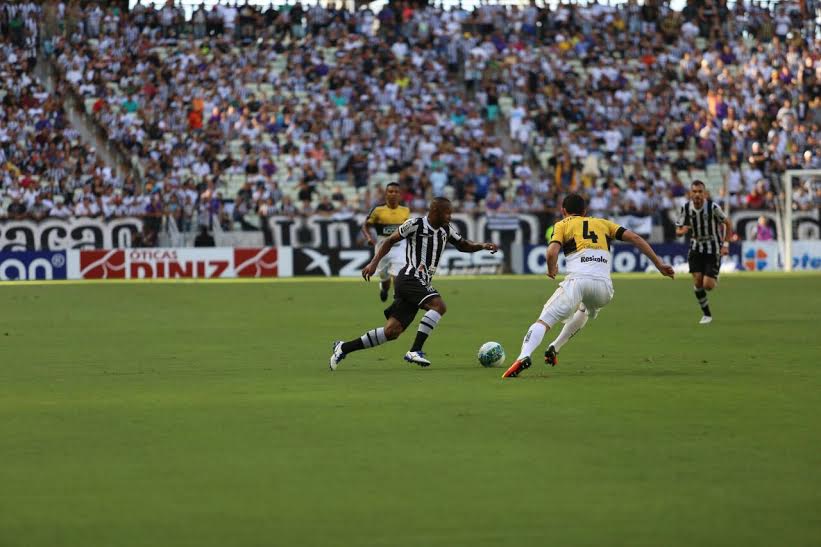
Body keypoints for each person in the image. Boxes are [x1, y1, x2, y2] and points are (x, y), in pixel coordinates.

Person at [502, 193, 675, 379]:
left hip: (577, 282)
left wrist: (552, 270)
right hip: (604, 289)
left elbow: (551, 252)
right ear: (585, 212)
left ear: (563, 211)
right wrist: (659, 265)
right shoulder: (603, 223)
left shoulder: (562, 224)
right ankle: (555, 347)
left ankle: (523, 356)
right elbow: (636, 238)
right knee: (584, 310)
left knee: (544, 321)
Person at [330, 197, 499, 370]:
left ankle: (343, 347)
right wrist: (374, 263)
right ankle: (415, 350)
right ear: (435, 212)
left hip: (418, 282)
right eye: (447, 213)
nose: (450, 216)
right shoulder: (415, 224)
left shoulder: (446, 230)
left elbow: (463, 245)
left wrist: (483, 245)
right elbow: (389, 241)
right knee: (439, 306)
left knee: (392, 331)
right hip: (410, 277)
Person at [675, 180, 733, 324]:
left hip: (712, 248)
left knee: (708, 285)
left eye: (700, 192)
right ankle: (707, 314)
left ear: (704, 193)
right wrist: (682, 231)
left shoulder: (713, 207)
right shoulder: (686, 208)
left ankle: (714, 277)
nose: (697, 195)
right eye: (694, 192)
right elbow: (679, 229)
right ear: (690, 193)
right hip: (695, 248)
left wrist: (725, 245)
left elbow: (728, 223)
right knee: (697, 282)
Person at [361, 182, 410, 302]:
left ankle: (397, 301)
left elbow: (409, 229)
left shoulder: (405, 211)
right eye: (390, 191)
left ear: (400, 195)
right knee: (385, 279)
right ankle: (384, 288)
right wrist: (368, 237)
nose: (393, 194)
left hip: (399, 247)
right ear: (386, 194)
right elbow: (365, 226)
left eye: (396, 192)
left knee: (398, 277)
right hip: (382, 247)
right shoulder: (378, 210)